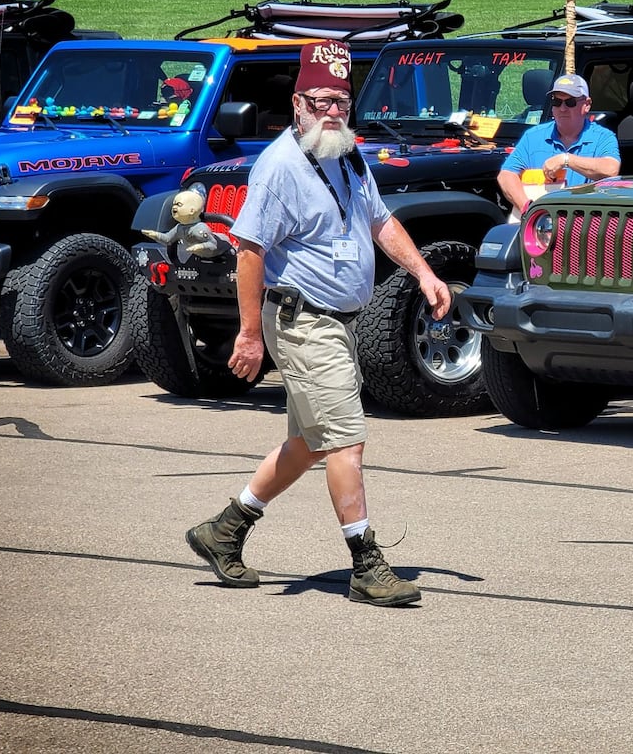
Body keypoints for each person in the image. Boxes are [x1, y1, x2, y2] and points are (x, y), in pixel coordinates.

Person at [185, 39, 452, 609]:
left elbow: (380, 221)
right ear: (297, 102)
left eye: (342, 101)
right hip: (303, 320)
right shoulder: (280, 166)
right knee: (347, 442)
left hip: (338, 321)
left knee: (308, 444)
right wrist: (250, 334)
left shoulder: (347, 153)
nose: (333, 111)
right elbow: (249, 252)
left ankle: (223, 530)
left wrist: (425, 274)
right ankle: (365, 564)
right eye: (322, 100)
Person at [497, 72, 620, 219]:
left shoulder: (603, 137)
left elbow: (611, 169)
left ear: (586, 105)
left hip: (583, 223)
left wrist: (566, 160)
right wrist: (529, 209)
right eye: (557, 102)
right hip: (539, 226)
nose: (562, 108)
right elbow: (506, 175)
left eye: (570, 102)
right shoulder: (533, 136)